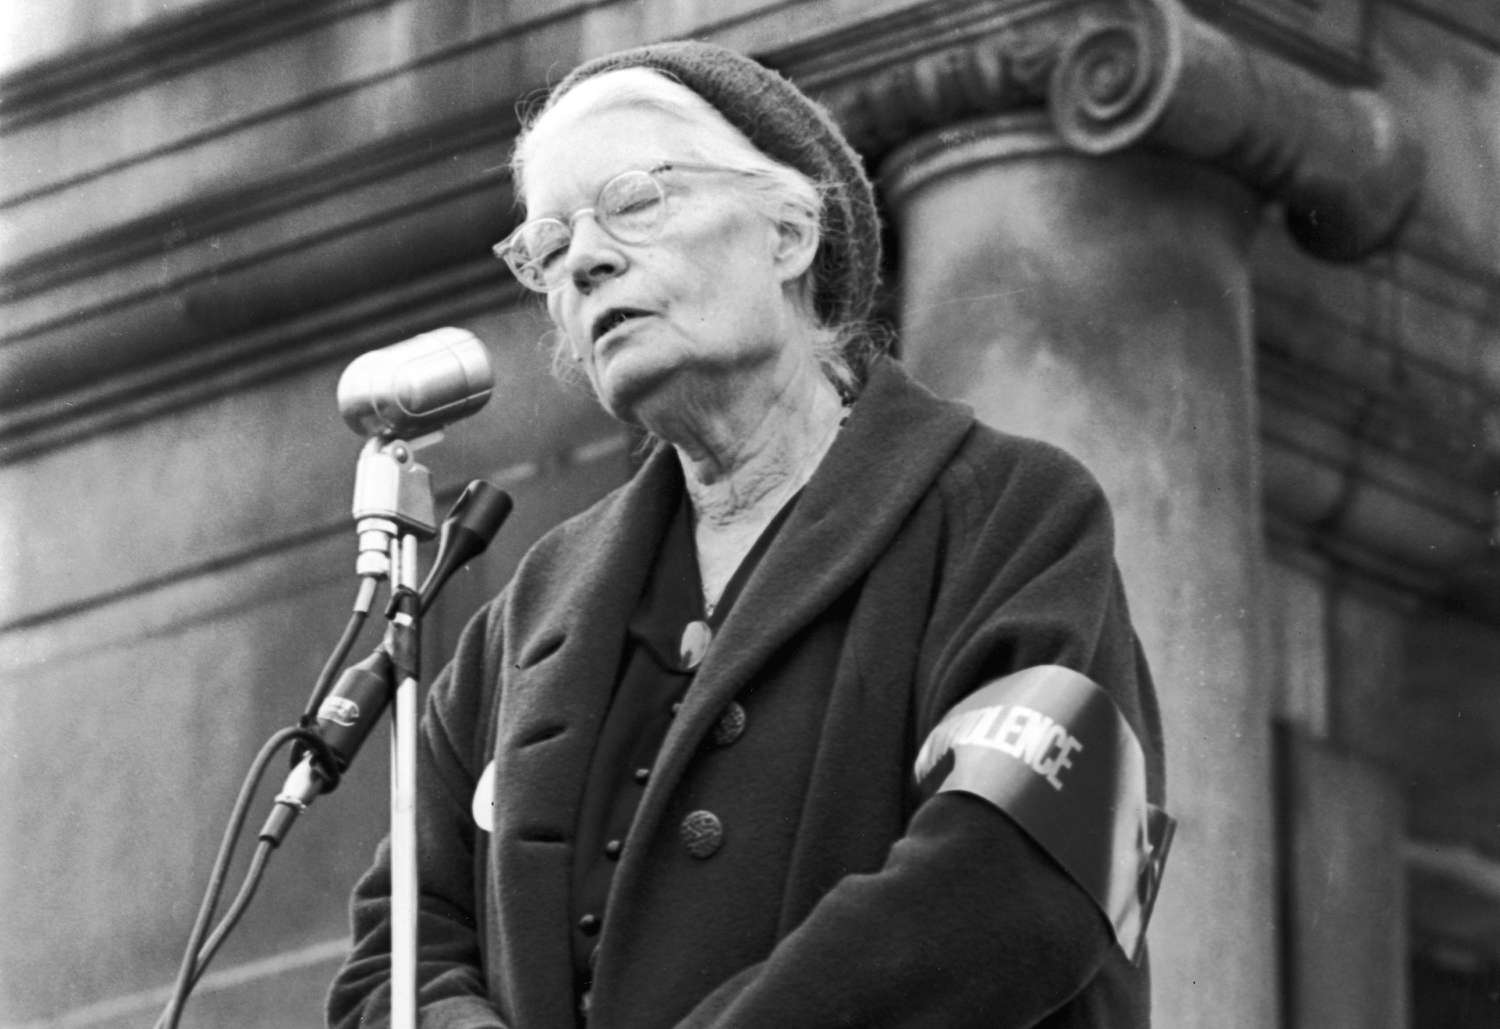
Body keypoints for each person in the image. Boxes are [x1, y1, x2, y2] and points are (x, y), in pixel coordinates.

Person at [327, 40, 1172, 1029]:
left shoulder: (1009, 514)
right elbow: (400, 952)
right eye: (550, 247)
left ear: (789, 233)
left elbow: (1022, 872)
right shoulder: (521, 620)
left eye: (637, 200)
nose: (587, 260)